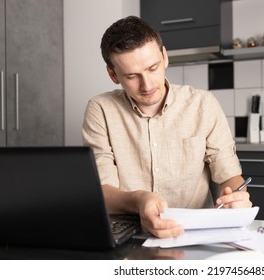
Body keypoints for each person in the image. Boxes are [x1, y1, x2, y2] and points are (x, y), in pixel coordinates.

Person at [82, 16, 252, 239]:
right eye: (132, 76)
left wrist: (236, 197)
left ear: (165, 57)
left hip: (195, 232)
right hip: (129, 234)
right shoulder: (100, 110)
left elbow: (229, 176)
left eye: (153, 68)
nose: (148, 85)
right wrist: (140, 200)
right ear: (113, 75)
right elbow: (102, 191)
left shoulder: (203, 104)